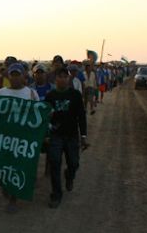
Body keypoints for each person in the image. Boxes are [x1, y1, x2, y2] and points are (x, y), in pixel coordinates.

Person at [0, 63, 38, 213]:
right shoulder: (1, 92)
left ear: (23, 76)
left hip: (22, 138)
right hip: (4, 137)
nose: (15, 77)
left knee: (17, 167)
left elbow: (37, 115)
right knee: (3, 166)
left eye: (17, 74)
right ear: (8, 76)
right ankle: (6, 186)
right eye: (12, 74)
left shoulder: (31, 94)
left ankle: (13, 199)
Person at [45, 67, 88, 208]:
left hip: (71, 136)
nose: (62, 79)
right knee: (55, 163)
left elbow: (81, 116)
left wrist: (83, 135)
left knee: (74, 163)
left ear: (68, 78)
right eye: (59, 76)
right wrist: (47, 134)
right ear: (55, 78)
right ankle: (56, 195)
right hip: (56, 136)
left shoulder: (75, 95)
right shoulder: (50, 96)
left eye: (65, 76)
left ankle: (69, 176)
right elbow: (46, 118)